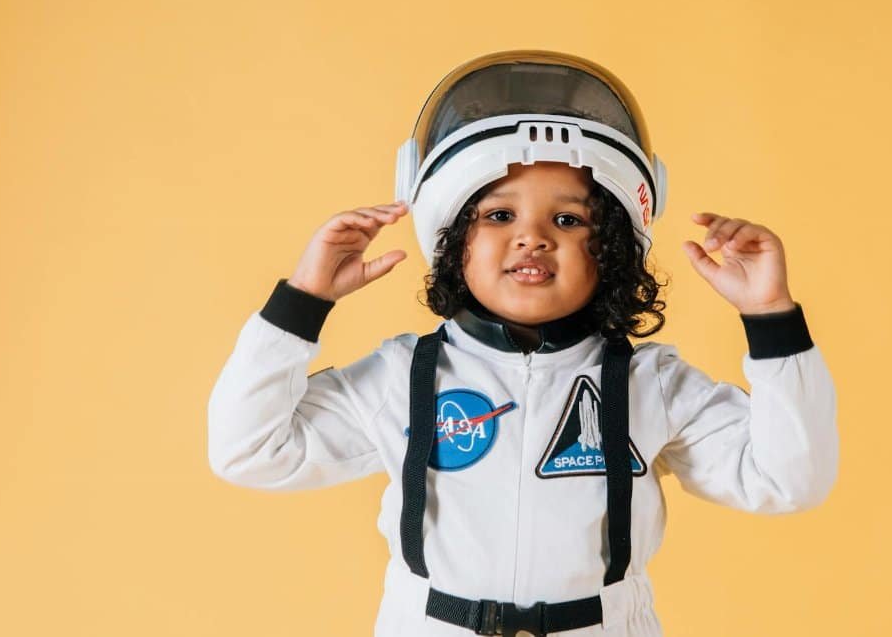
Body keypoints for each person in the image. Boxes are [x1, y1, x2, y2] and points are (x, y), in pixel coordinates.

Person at [208, 50, 838, 637]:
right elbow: (249, 450)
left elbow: (788, 479)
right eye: (499, 215)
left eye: (568, 219)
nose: (532, 238)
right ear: (455, 239)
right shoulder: (403, 378)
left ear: (612, 247)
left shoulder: (652, 386)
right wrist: (301, 302)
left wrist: (771, 318)